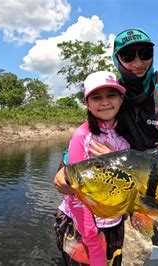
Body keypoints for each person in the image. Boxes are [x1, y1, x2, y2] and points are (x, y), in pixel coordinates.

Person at [54, 28, 158, 265]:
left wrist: (120, 158)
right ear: (117, 59)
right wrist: (64, 167)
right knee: (132, 257)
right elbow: (89, 132)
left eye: (145, 53)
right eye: (128, 56)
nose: (138, 62)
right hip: (128, 189)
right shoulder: (113, 94)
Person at [54, 71, 130, 266]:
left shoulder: (127, 133)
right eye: (97, 97)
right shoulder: (82, 136)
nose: (105, 102)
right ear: (87, 103)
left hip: (113, 223)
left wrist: (114, 161)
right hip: (83, 226)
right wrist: (94, 246)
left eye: (111, 95)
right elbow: (77, 195)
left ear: (121, 99)